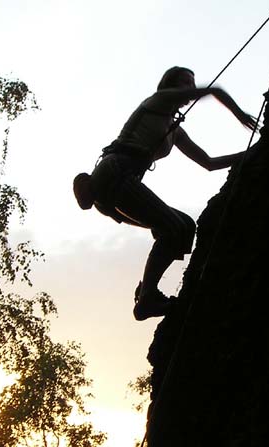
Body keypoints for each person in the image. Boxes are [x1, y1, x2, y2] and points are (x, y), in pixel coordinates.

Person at [73, 66, 258, 320]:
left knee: (184, 225)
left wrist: (248, 154)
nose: (189, 89)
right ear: (168, 87)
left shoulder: (175, 130)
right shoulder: (157, 101)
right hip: (116, 171)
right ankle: (148, 297)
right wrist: (239, 113)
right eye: (184, 83)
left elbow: (208, 162)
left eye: (191, 84)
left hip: (120, 182)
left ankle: (147, 292)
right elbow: (213, 90)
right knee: (172, 227)